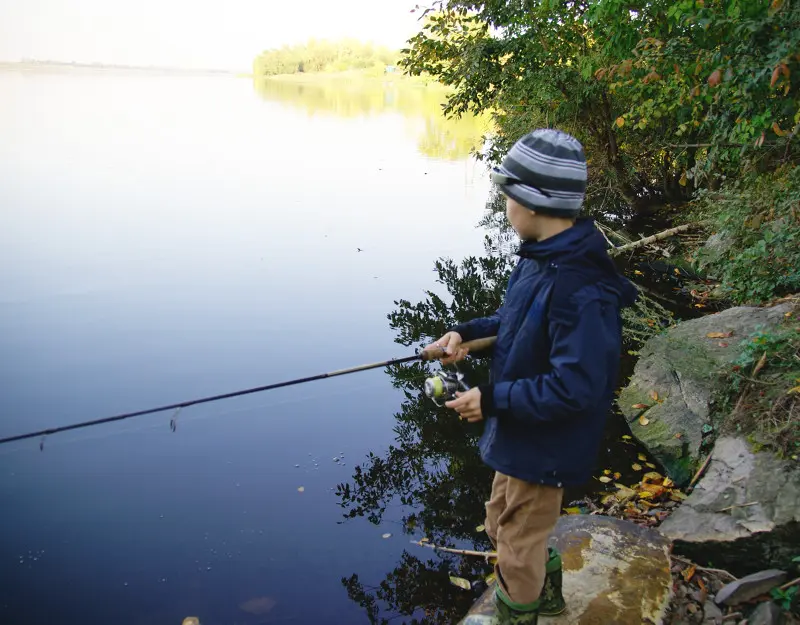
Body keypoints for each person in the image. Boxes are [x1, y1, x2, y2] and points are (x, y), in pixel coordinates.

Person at [427, 129, 637, 624]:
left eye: (507, 197)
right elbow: (511, 325)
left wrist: (493, 400)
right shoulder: (541, 260)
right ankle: (550, 596)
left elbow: (577, 386)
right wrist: (462, 335)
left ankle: (519, 611)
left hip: (547, 444)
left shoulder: (579, 286)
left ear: (532, 203)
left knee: (518, 546)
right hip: (521, 432)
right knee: (499, 522)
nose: (504, 207)